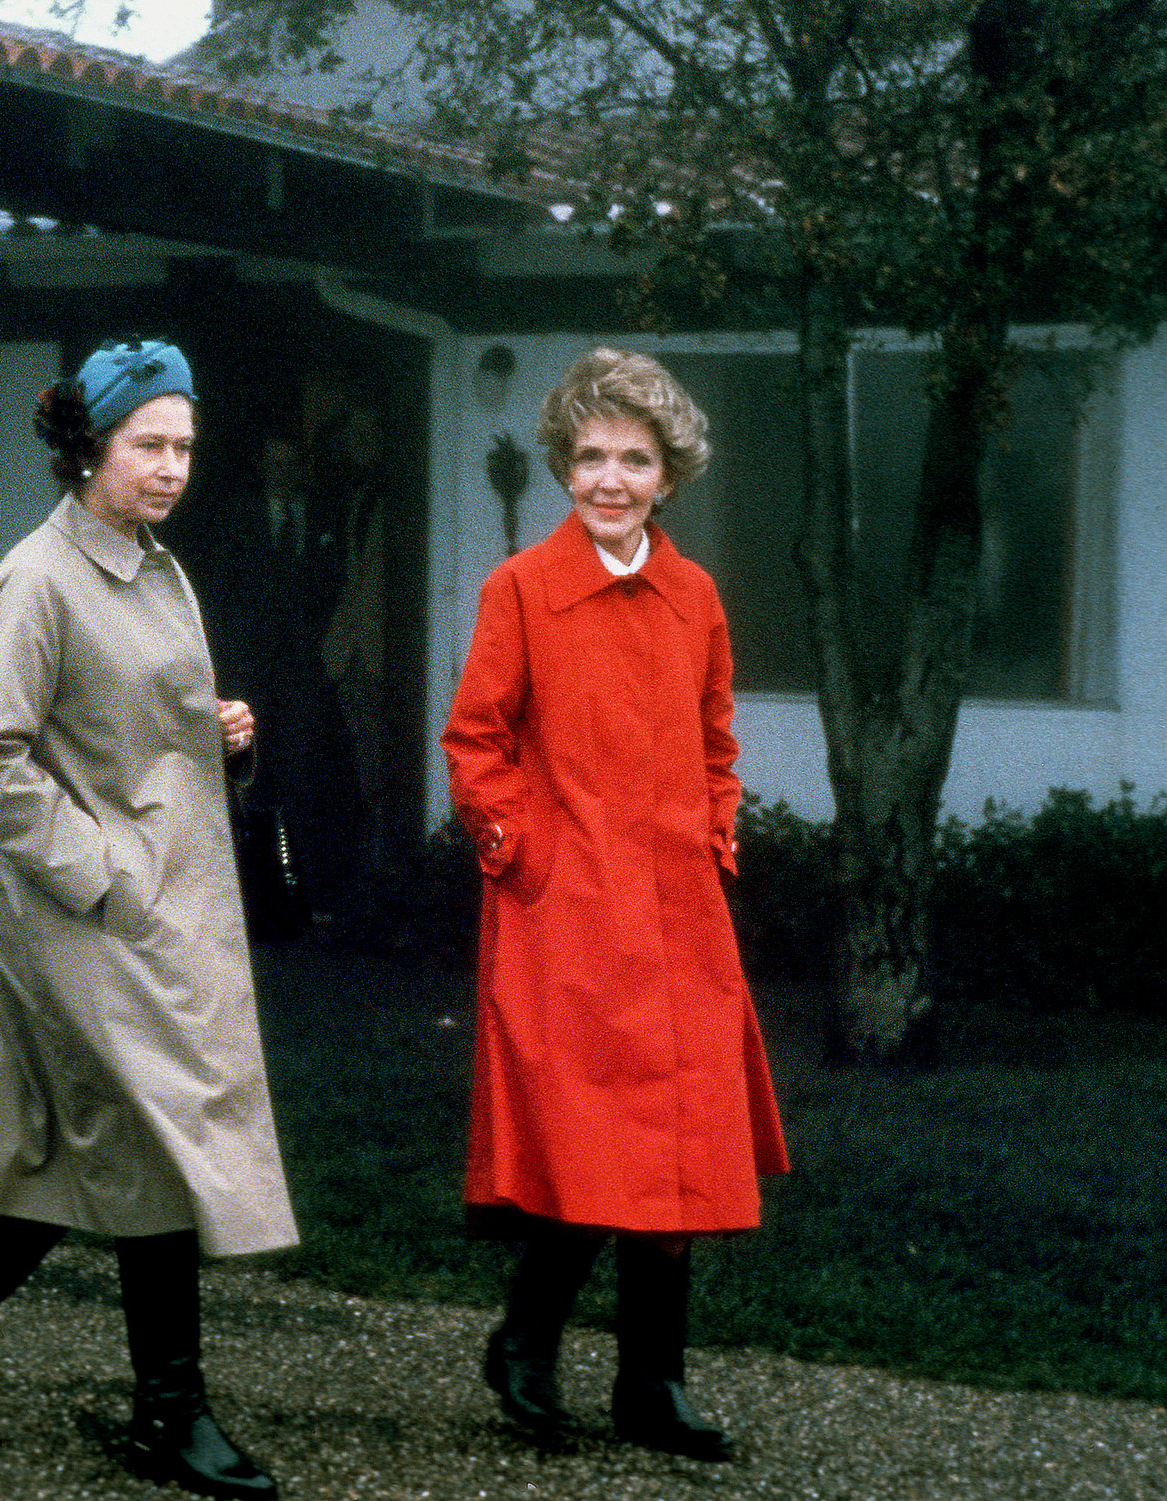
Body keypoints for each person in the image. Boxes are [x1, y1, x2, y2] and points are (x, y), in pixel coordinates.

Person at [0, 340, 296, 1501]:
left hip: (153, 902)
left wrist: (221, 737)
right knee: (152, 1141)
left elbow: (135, 725)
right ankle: (173, 1414)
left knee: (85, 1145)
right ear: (89, 448)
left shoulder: (154, 568)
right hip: (84, 908)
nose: (170, 468)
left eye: (184, 447)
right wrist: (105, 875)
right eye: (148, 444)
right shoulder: (41, 576)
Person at [440, 348, 790, 1461]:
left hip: (679, 911)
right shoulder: (519, 591)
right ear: (561, 465)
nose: (608, 477)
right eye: (588, 455)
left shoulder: (693, 596)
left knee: (681, 1148)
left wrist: (710, 836)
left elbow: (715, 737)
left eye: (632, 458)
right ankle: (526, 1343)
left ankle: (653, 1381)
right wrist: (523, 853)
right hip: (566, 911)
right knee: (583, 1141)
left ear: (667, 473)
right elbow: (474, 743)